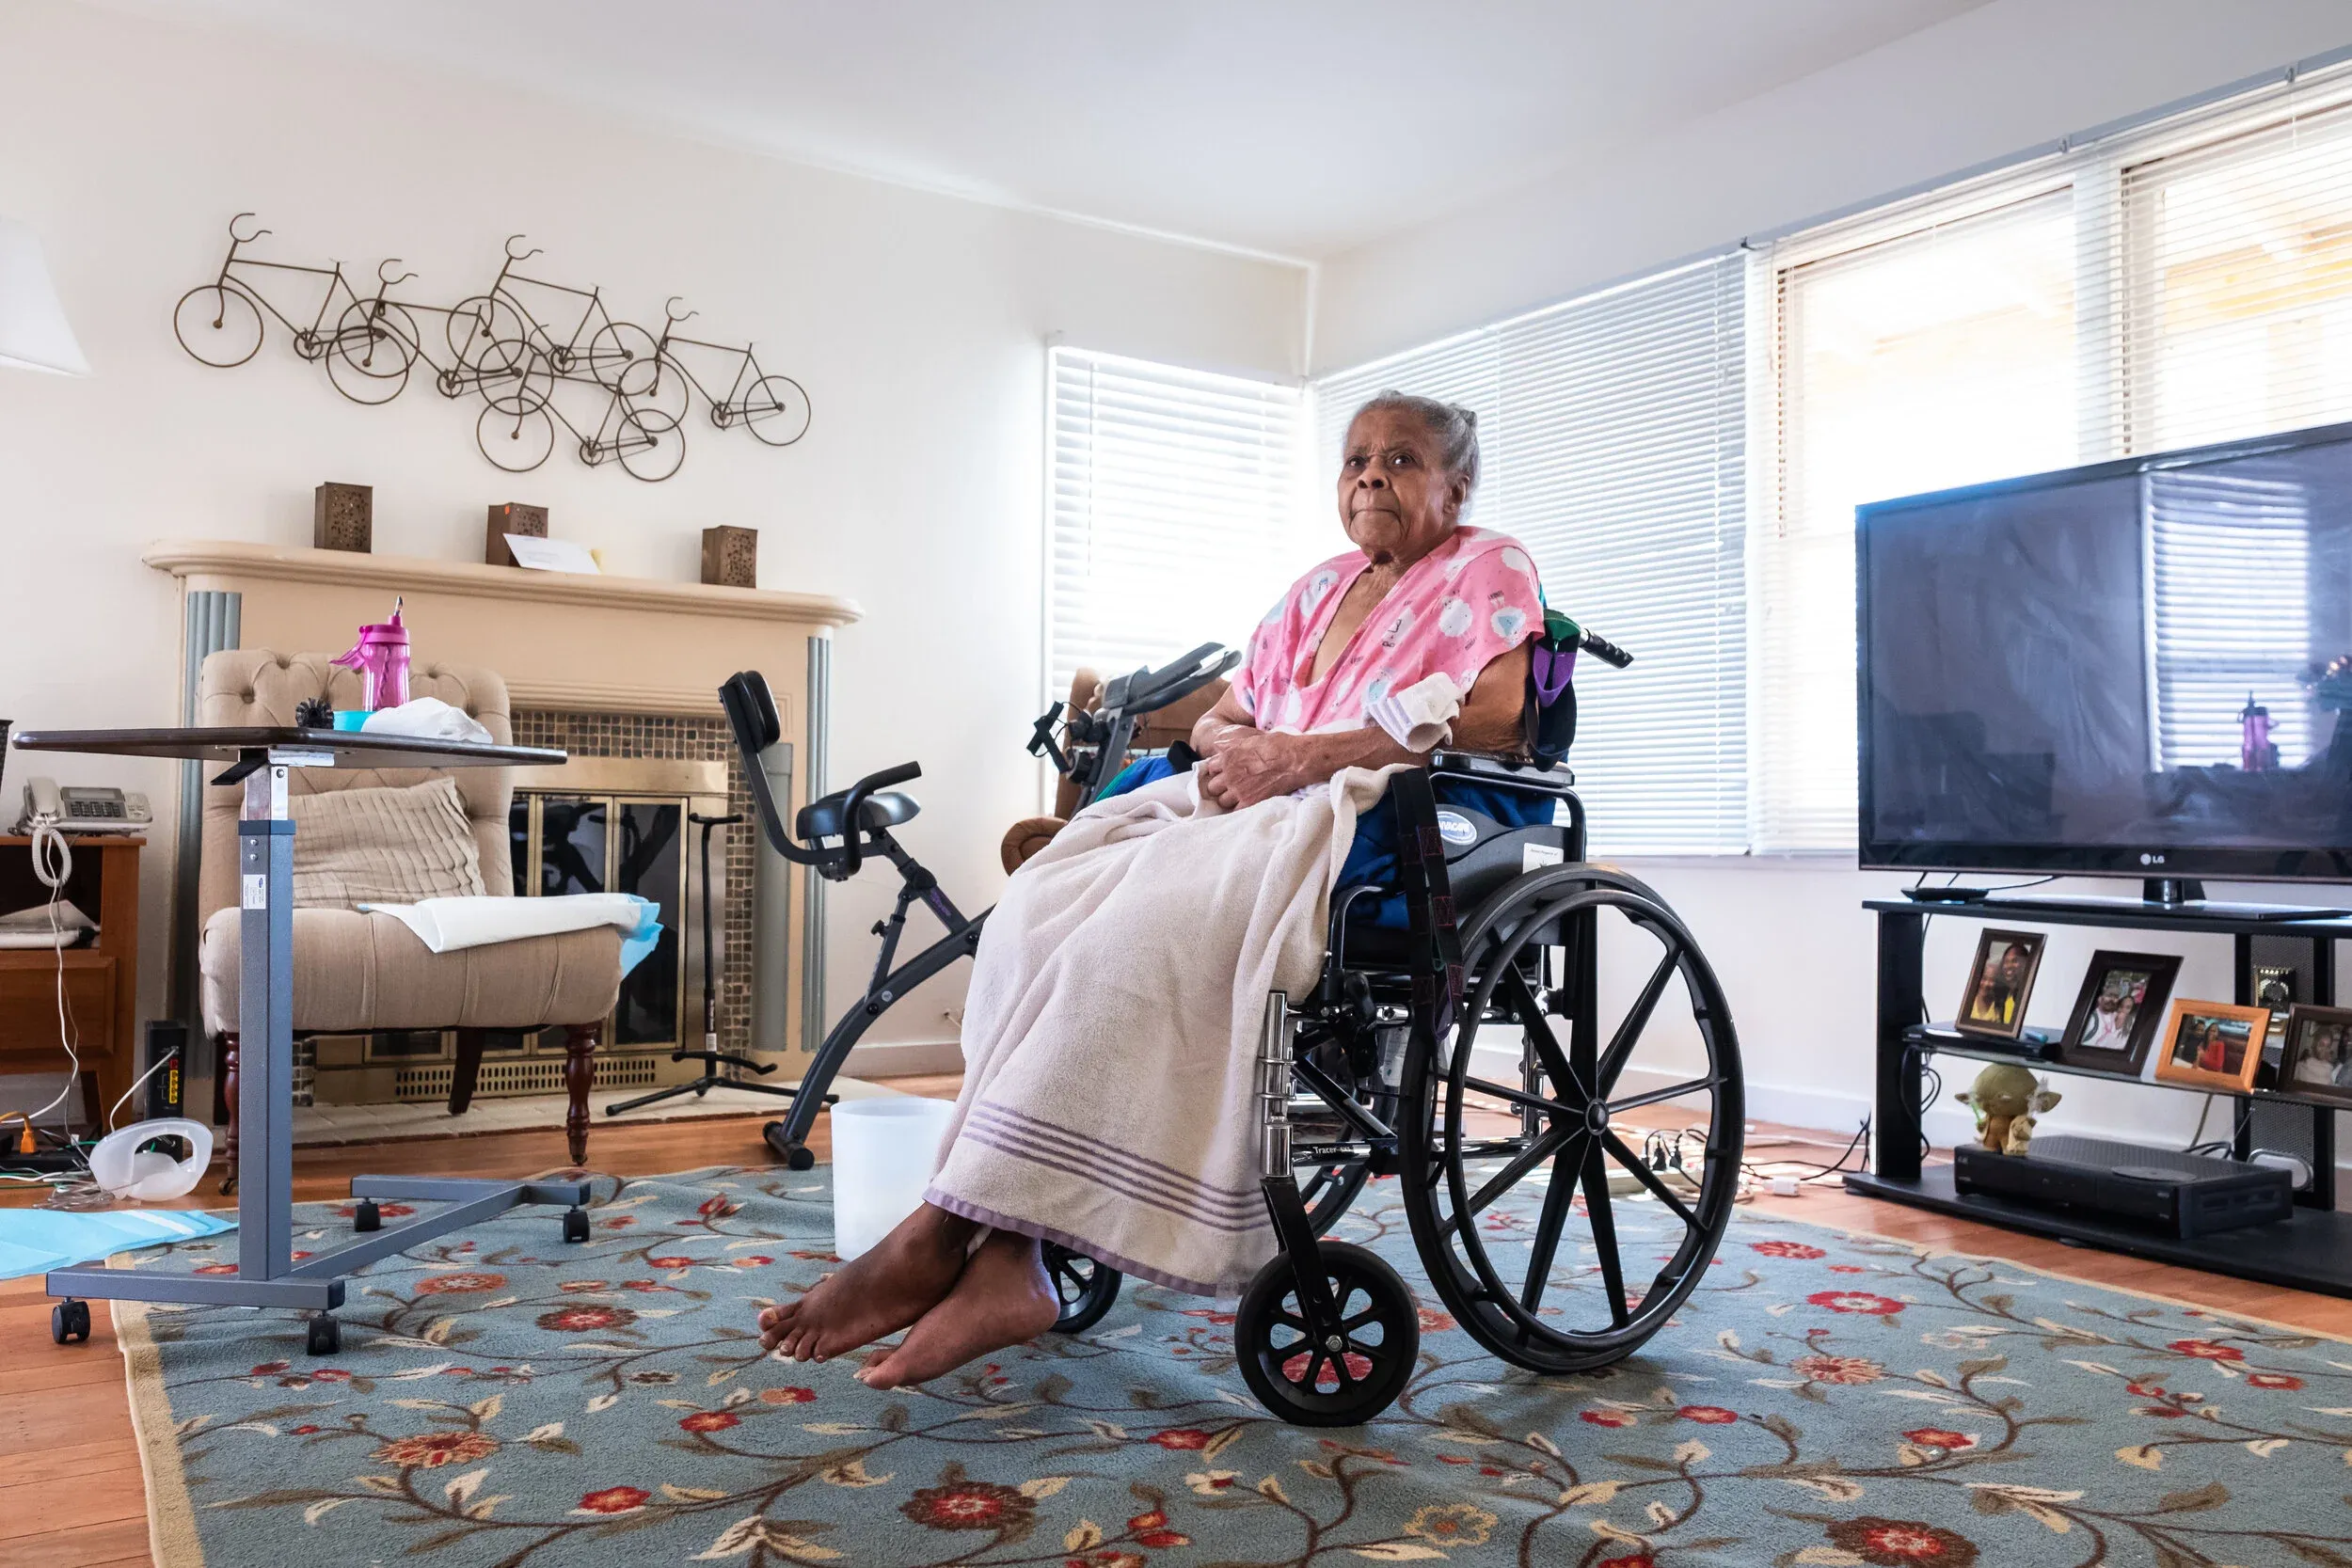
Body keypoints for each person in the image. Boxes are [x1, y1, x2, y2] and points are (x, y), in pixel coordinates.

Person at [755, 392, 1546, 1388]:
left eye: (1399, 459)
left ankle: (942, 1229)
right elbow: (1223, 717)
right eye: (1353, 460)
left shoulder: (1487, 567)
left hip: (1368, 812)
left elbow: (1496, 716)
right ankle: (1005, 1253)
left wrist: (1304, 754)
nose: (1369, 476)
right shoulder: (1313, 588)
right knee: (1039, 908)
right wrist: (1235, 745)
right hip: (1244, 798)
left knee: (1128, 935)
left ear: (1454, 486)